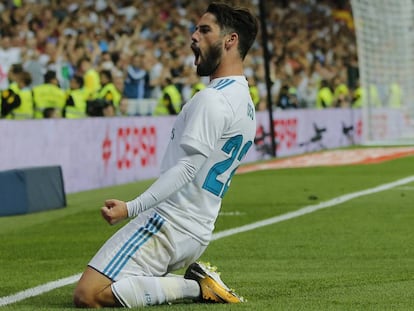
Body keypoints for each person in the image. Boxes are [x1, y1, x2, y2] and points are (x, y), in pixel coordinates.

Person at [73, 2, 258, 308]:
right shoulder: (244, 101)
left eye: (204, 29)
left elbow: (187, 169)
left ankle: (196, 287)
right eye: (195, 28)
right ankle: (193, 283)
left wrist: (130, 208)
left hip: (168, 222)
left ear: (230, 40)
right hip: (197, 228)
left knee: (89, 294)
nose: (193, 36)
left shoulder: (213, 99)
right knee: (118, 287)